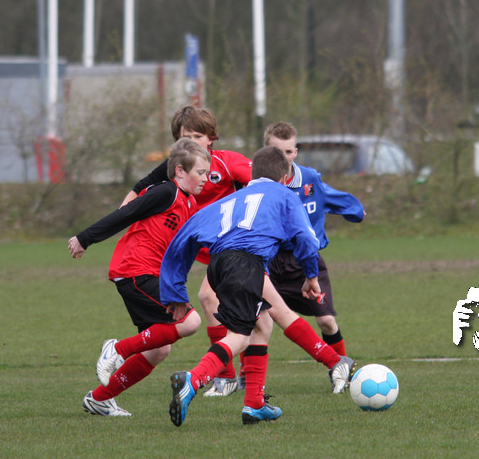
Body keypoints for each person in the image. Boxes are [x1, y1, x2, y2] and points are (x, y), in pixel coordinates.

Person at [160, 146, 353, 427]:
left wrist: (174, 293)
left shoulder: (229, 199)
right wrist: (311, 276)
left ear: (251, 176)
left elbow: (182, 239)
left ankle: (254, 404)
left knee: (262, 325)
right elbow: (305, 238)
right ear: (285, 179)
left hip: (219, 265)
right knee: (239, 337)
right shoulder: (285, 195)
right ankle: (194, 379)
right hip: (247, 264)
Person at [67, 138, 211, 417]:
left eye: (207, 173)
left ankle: (99, 399)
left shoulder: (189, 203)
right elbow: (126, 213)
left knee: (159, 350)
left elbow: (195, 245)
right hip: (135, 269)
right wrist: (85, 238)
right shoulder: (166, 192)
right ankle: (116, 349)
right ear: (180, 171)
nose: (205, 179)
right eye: (201, 172)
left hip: (150, 274)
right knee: (190, 321)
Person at [118, 105, 254, 396]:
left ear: (211, 138)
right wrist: (123, 213)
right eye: (185, 137)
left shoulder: (228, 162)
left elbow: (264, 182)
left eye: (197, 136)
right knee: (174, 331)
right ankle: (240, 377)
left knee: (212, 299)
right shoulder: (177, 166)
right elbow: (141, 186)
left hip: (230, 247)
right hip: (193, 247)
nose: (191, 142)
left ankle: (231, 377)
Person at [264, 121, 364, 358]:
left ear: (295, 152)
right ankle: (245, 375)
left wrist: (354, 209)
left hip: (305, 261)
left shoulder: (309, 179)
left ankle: (341, 368)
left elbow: (330, 196)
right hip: (268, 262)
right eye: (277, 152)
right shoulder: (256, 183)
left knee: (326, 320)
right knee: (256, 322)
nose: (284, 158)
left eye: (288, 151)